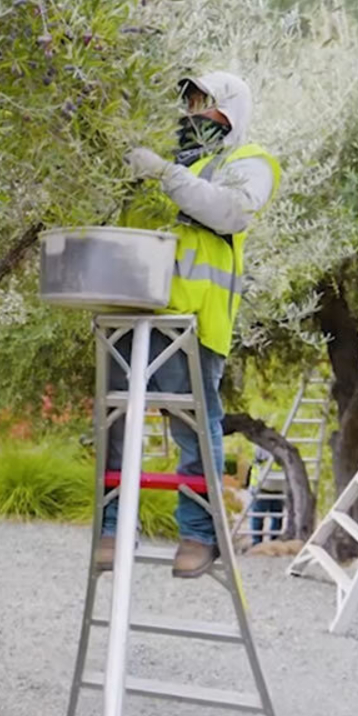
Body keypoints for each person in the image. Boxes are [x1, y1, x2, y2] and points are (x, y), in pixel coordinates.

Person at [98, 72, 281, 578]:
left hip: (194, 321)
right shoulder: (162, 164)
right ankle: (112, 528)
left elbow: (229, 212)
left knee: (194, 429)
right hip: (131, 312)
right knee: (114, 426)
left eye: (206, 103)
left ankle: (198, 536)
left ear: (232, 111)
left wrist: (164, 175)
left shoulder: (248, 163)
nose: (193, 113)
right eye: (190, 102)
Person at [247, 446, 287, 547]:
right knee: (276, 517)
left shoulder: (260, 447)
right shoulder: (283, 449)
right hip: (276, 487)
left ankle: (257, 542)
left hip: (263, 487)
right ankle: (272, 541)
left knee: (258, 517)